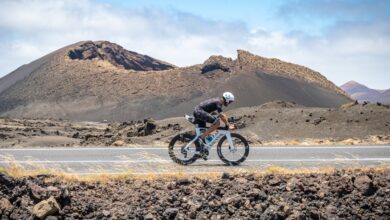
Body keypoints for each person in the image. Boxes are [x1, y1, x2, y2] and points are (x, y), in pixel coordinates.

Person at [193, 92, 235, 157]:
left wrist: (227, 122)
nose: (229, 104)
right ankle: (201, 137)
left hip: (198, 111)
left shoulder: (218, 101)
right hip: (199, 111)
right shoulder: (219, 102)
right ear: (227, 99)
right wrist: (228, 124)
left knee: (204, 131)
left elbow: (223, 114)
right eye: (230, 102)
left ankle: (201, 152)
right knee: (217, 123)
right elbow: (221, 115)